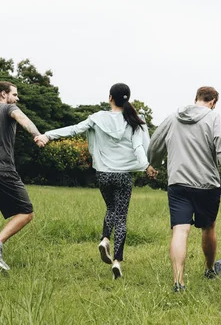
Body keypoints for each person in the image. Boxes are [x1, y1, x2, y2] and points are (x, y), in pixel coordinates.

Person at [35, 83, 156, 279]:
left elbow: (74, 129)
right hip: (123, 175)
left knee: (111, 209)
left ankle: (105, 239)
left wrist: (48, 135)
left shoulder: (97, 118)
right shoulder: (134, 122)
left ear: (110, 98)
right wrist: (147, 166)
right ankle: (117, 261)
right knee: (121, 216)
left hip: (103, 174)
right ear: (128, 99)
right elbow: (138, 148)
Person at [147, 86, 221, 293]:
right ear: (214, 102)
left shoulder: (173, 117)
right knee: (208, 228)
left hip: (178, 183)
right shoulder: (214, 119)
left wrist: (153, 162)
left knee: (180, 230)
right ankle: (209, 269)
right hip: (206, 185)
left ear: (196, 98)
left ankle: (178, 282)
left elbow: (155, 143)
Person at [0, 81, 44, 270]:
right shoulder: (8, 108)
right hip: (3, 170)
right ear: (3, 95)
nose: (17, 98)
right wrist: (37, 135)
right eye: (14, 94)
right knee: (26, 212)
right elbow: (23, 119)